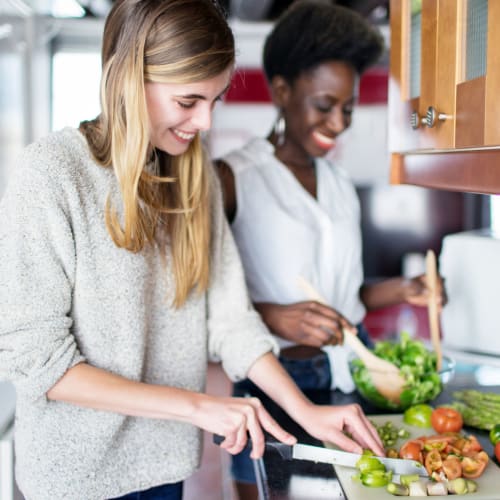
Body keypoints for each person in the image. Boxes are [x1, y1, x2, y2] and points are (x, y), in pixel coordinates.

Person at [0, 1, 385, 499]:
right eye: (188, 102)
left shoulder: (191, 174)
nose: (204, 121)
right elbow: (39, 361)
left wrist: (305, 411)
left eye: (215, 99)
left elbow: (231, 320)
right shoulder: (52, 172)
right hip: (74, 479)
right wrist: (198, 406)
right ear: (129, 81)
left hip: (163, 468)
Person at [216, 1, 445, 498]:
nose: (339, 123)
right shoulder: (233, 178)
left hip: (346, 372)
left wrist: (406, 289)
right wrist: (273, 315)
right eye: (325, 105)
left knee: (351, 491)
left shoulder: (339, 183)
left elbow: (345, 292)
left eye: (348, 107)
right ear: (281, 91)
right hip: (274, 381)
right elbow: (199, 302)